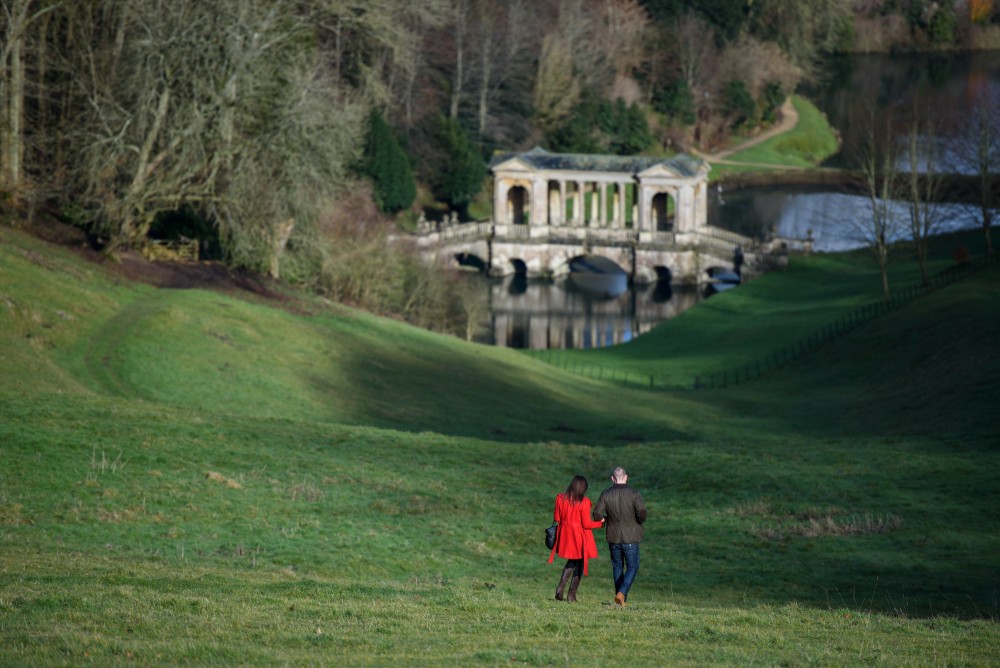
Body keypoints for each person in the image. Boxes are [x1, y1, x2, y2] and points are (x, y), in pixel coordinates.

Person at [592, 466, 647, 607]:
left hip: (613, 536)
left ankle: (620, 601)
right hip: (630, 536)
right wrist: (637, 521)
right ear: (626, 477)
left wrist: (605, 519)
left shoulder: (606, 494)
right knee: (633, 566)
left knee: (617, 567)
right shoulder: (634, 493)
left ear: (612, 478)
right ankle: (621, 593)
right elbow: (642, 514)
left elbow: (596, 515)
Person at [548, 475, 604, 602]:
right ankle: (571, 595)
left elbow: (557, 518)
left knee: (572, 561)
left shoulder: (560, 498)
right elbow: (586, 524)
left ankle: (560, 588)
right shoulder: (584, 502)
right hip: (579, 536)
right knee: (579, 563)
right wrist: (601, 523)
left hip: (566, 535)